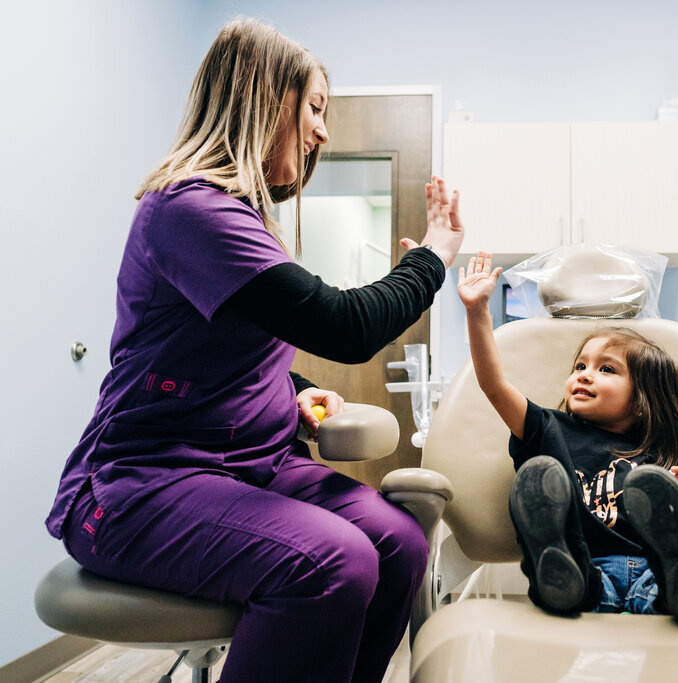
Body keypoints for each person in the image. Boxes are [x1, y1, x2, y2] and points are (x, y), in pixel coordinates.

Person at [44, 18, 464, 682]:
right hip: (140, 485)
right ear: (265, 97)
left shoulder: (243, 220)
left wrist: (295, 394)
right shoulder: (188, 210)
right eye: (317, 107)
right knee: (337, 560)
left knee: (400, 544)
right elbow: (344, 326)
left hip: (252, 466)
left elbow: (228, 350)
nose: (325, 130)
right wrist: (434, 260)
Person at [457, 252, 678, 624]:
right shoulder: (547, 429)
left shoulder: (665, 453)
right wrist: (478, 312)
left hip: (656, 567)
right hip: (589, 567)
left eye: (606, 369)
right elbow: (493, 385)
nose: (584, 375)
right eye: (580, 366)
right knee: (580, 582)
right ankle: (559, 570)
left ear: (642, 401)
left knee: (676, 577)